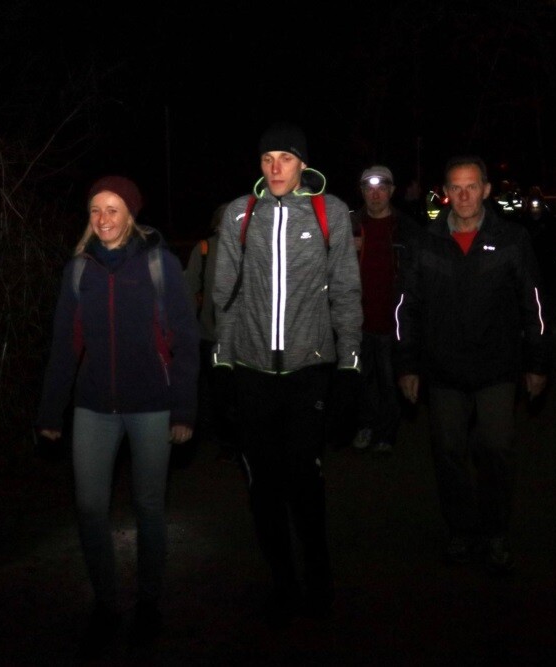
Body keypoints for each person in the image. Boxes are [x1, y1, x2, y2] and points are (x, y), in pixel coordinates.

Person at [36, 175, 199, 656]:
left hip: (152, 405)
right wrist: (50, 410)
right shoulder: (79, 270)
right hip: (93, 406)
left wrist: (184, 409)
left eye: (112, 209)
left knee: (148, 507)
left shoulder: (159, 264)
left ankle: (148, 603)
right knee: (90, 508)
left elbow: (186, 341)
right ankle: (106, 604)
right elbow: (64, 345)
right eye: (95, 210)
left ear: (130, 214)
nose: (102, 219)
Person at [212, 121, 362, 625]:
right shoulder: (240, 214)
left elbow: (346, 293)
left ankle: (319, 578)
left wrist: (350, 366)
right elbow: (225, 297)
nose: (275, 168)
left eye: (286, 158)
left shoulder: (329, 211)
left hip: (308, 370)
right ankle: (282, 582)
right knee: (262, 486)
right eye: (267, 158)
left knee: (304, 479)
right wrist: (222, 365)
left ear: (303, 164)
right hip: (252, 371)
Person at [394, 155, 551, 574]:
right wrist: (407, 365)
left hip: (497, 367)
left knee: (496, 449)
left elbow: (533, 304)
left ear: (485, 190)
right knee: (448, 453)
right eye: (456, 187)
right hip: (443, 370)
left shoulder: (511, 238)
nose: (464, 196)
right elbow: (406, 308)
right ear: (446, 192)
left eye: (472, 186)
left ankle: (495, 531)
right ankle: (461, 530)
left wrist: (537, 363)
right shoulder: (426, 242)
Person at [349, 165, 420, 455]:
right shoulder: (349, 225)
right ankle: (366, 425)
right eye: (369, 188)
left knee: (391, 382)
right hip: (358, 321)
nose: (375, 194)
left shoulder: (406, 228)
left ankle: (387, 433)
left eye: (381, 188)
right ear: (362, 192)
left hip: (394, 322)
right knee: (362, 380)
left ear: (391, 191)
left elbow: (417, 277)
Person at [184, 203, 237, 463]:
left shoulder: (251, 249)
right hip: (209, 335)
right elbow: (189, 290)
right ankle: (219, 440)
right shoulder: (204, 249)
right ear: (217, 224)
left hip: (243, 340)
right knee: (213, 391)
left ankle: (234, 441)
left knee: (236, 392)